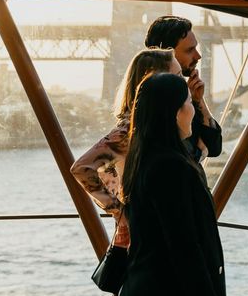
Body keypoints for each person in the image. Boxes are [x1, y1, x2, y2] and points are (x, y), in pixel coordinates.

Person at [113, 73, 233, 296]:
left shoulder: (142, 159)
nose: (193, 108)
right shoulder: (172, 166)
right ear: (175, 112)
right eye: (189, 102)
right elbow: (183, 243)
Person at [71, 48, 181, 247]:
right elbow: (81, 168)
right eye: (177, 75)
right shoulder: (129, 129)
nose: (183, 83)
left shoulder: (154, 125)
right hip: (144, 237)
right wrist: (120, 212)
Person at [144, 15, 222, 162]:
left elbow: (214, 147)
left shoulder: (182, 98)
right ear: (167, 53)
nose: (198, 56)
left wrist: (198, 100)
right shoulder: (151, 105)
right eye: (190, 50)